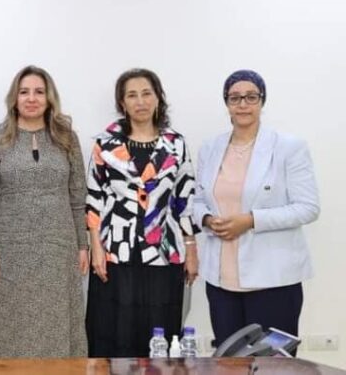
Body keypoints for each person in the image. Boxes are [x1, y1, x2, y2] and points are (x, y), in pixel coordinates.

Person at [192, 70, 319, 351]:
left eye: (251, 97)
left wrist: (251, 220)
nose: (243, 104)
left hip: (273, 279)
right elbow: (197, 200)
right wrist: (207, 219)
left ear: (262, 101)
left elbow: (308, 207)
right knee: (228, 362)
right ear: (226, 103)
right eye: (235, 98)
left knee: (273, 364)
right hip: (221, 281)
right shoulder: (210, 148)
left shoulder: (289, 147)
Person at [85, 68, 198, 357]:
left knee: (160, 331)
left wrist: (191, 249)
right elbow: (94, 198)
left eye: (147, 93)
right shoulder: (105, 144)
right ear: (122, 103)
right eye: (132, 95)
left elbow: (184, 199)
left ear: (158, 98)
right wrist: (95, 247)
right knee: (113, 329)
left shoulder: (176, 144)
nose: (140, 101)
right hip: (115, 252)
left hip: (164, 251)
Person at [0, 66, 88, 358]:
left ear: (49, 98)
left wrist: (83, 245)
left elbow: (78, 196)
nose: (31, 98)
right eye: (24, 92)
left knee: (57, 324)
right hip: (9, 250)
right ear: (14, 98)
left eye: (39, 92)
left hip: (58, 247)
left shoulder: (66, 137)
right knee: (9, 328)